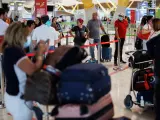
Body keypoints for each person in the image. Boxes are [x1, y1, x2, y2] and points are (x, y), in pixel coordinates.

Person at [2, 22, 47, 120]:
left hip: (13, 96)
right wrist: (40, 54)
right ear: (20, 35)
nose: (27, 38)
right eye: (26, 35)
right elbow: (32, 70)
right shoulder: (15, 52)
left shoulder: (8, 49)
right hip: (19, 99)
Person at [146, 18, 160, 120]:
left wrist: (152, 56)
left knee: (158, 92)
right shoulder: (155, 34)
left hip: (158, 68)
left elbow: (149, 43)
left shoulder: (156, 36)